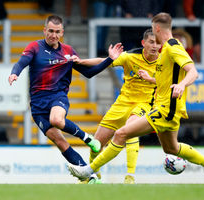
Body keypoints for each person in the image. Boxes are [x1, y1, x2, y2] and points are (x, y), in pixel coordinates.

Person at [67, 12, 204, 184]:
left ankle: (90, 171)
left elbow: (193, 72)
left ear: (157, 28)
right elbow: (166, 78)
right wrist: (152, 79)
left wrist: (182, 85)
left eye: (152, 30)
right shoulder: (164, 49)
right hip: (165, 108)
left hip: (166, 109)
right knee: (171, 148)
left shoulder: (173, 47)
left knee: (122, 134)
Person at [8, 15, 123, 179]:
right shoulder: (34, 47)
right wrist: (14, 73)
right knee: (61, 143)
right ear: (44, 30)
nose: (53, 35)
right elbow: (21, 62)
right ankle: (88, 176)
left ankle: (87, 138)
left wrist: (109, 60)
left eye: (56, 32)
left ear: (62, 32)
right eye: (50, 31)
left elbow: (88, 73)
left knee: (57, 120)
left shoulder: (68, 51)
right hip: (37, 105)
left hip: (57, 96)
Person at [75, 28, 160, 184]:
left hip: (144, 104)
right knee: (96, 144)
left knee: (130, 129)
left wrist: (151, 80)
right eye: (152, 42)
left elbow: (169, 84)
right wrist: (82, 61)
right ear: (143, 43)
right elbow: (104, 61)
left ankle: (130, 176)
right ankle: (94, 174)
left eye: (158, 43)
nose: (155, 46)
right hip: (122, 103)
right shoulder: (131, 57)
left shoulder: (164, 62)